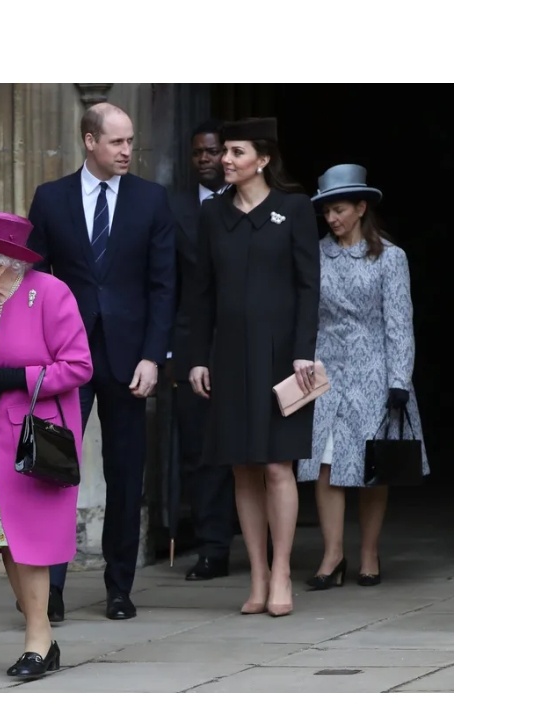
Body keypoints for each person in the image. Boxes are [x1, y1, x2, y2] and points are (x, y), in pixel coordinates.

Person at [26, 102, 176, 622]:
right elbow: (33, 282)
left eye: (131, 141)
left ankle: (119, 587)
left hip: (129, 359)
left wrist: (154, 357)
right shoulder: (50, 199)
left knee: (125, 474)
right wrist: (38, 352)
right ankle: (53, 590)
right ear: (90, 141)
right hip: (65, 360)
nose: (127, 151)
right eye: (117, 142)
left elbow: (164, 287)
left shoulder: (151, 200)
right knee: (55, 471)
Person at [0, 208, 93, 679]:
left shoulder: (50, 294)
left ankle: (38, 639)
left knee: (26, 538)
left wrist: (18, 377)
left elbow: (78, 366)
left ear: (5, 260)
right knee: (3, 537)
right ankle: (38, 632)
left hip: (35, 438)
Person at [187, 117, 320, 618]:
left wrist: (304, 349)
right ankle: (258, 576)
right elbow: (200, 292)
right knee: (242, 466)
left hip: (283, 354)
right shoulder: (212, 215)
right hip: (229, 354)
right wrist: (198, 356)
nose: (225, 159)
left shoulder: (294, 209)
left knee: (276, 464)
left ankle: (283, 570)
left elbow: (310, 285)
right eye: (225, 151)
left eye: (236, 152)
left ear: (262, 159)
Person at [297, 164, 429, 589]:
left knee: (375, 464)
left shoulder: (391, 258)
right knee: (325, 463)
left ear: (360, 207)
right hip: (325, 372)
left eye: (338, 210)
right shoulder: (315, 255)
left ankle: (369, 552)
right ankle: (333, 555)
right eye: (327, 212)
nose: (331, 219)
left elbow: (399, 323)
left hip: (375, 371)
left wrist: (399, 381)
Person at [167, 119, 235, 581]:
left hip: (244, 343)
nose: (208, 159)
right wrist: (170, 351)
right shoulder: (174, 208)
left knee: (253, 452)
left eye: (214, 151)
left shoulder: (253, 204)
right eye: (199, 153)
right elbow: (165, 282)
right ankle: (213, 546)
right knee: (199, 451)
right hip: (192, 346)